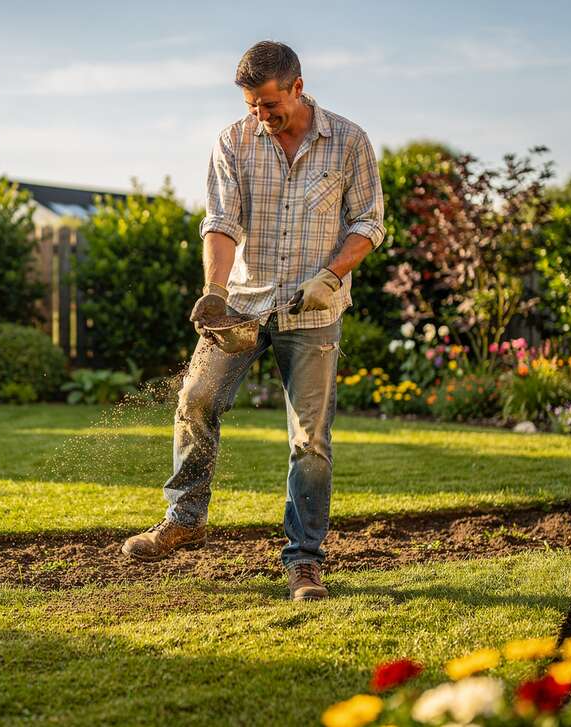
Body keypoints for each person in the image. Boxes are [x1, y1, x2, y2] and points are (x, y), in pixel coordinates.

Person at [121, 40, 385, 601]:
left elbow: (368, 222)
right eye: (252, 105)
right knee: (196, 401)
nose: (261, 116)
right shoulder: (234, 141)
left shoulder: (349, 141)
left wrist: (332, 275)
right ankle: (185, 517)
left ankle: (304, 560)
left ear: (297, 85)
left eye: (269, 104)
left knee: (309, 439)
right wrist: (214, 292)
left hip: (315, 309)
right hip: (243, 301)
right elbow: (220, 222)